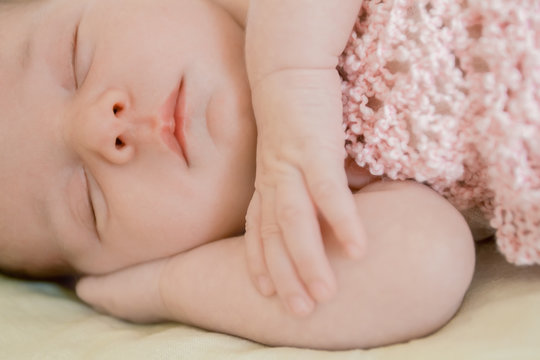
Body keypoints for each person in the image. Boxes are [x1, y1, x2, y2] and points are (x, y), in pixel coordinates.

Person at [0, 0, 476, 350]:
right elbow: (428, 262)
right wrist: (172, 285)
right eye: (88, 202)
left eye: (74, 57)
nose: (101, 128)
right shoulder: (314, 220)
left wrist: (293, 75)